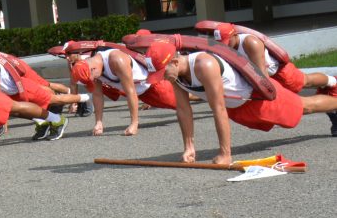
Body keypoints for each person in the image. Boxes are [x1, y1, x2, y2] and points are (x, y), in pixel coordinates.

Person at [142, 41, 337, 165]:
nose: (161, 78)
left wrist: (225, 154)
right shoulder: (175, 75)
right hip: (239, 107)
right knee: (299, 111)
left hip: (256, 98)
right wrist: (189, 148)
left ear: (175, 62)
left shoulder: (204, 65)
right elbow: (183, 111)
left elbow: (218, 109)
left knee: (304, 107)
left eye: (162, 73)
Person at [203, 22, 337, 135]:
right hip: (261, 79)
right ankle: (331, 104)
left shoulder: (251, 42)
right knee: (299, 104)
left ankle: (333, 81)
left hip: (278, 72)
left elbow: (263, 77)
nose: (225, 46)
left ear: (235, 35)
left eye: (227, 42)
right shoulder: (224, 48)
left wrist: (270, 97)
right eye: (221, 43)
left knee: (305, 81)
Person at [0, 48, 87, 140]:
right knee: (22, 112)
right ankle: (44, 122)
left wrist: (2, 121)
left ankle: (86, 98)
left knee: (54, 100)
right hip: (12, 92)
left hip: (22, 87)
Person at [69, 46, 178, 136]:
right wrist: (99, 122)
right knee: (180, 103)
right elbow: (97, 95)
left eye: (91, 79)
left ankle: (193, 92)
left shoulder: (117, 60)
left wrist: (134, 124)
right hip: (140, 93)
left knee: (182, 102)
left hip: (153, 86)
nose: (92, 81)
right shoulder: (91, 68)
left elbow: (131, 92)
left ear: (92, 69)